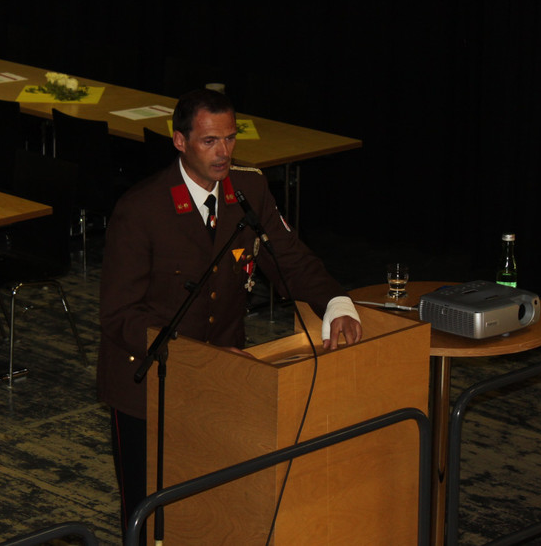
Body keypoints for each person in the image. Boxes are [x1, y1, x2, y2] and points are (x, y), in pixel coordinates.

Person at [97, 88, 363, 538]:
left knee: (214, 509)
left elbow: (289, 259)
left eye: (230, 138)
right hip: (149, 388)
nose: (224, 152)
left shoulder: (249, 188)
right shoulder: (141, 209)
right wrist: (202, 360)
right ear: (179, 141)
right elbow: (120, 315)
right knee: (150, 518)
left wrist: (336, 304)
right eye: (209, 141)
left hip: (223, 384)